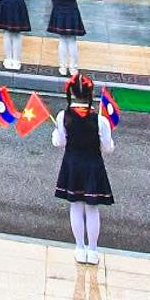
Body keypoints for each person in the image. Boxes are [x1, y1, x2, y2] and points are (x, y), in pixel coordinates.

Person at [54, 71, 115, 266]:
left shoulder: (63, 116)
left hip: (72, 163)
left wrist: (55, 135)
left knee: (76, 206)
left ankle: (79, 247)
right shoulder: (100, 120)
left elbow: (60, 142)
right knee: (92, 208)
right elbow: (108, 148)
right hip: (93, 165)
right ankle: (93, 250)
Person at [44, 0, 85, 73]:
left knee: (62, 40)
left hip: (58, 11)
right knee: (72, 40)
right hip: (71, 11)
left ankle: (62, 67)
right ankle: (73, 67)